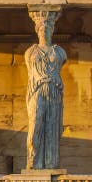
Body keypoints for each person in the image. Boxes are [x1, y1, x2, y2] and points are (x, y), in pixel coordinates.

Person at [25, 10, 67, 169]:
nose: (44, 31)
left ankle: (50, 162)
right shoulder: (30, 52)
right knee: (35, 124)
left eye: (48, 29)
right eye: (42, 29)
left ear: (52, 31)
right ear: (37, 31)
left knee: (52, 126)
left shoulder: (59, 51)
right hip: (37, 89)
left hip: (54, 90)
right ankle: (33, 161)